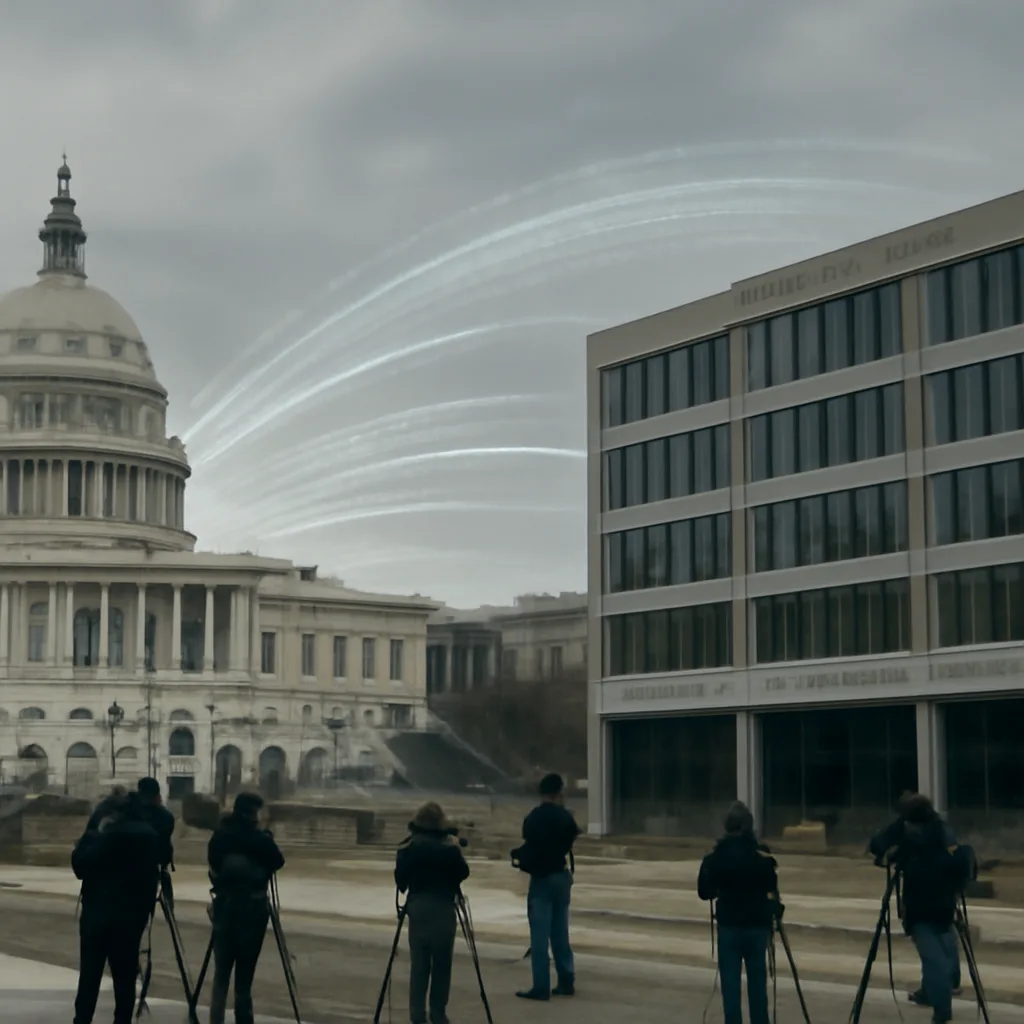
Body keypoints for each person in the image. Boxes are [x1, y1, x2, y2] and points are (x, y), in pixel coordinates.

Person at [869, 793, 974, 1024]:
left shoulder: (909, 834)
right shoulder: (942, 829)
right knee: (945, 943)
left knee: (932, 956)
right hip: (945, 902)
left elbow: (878, 845)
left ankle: (941, 1006)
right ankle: (943, 985)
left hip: (919, 903)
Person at [71, 790, 170, 1024]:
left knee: (89, 977)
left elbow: (80, 867)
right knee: (125, 978)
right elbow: (163, 862)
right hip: (132, 918)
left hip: (97, 915)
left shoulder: (104, 835)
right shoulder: (150, 836)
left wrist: (91, 836)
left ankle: (82, 1020)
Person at [207, 791, 285, 1024]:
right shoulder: (260, 840)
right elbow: (278, 861)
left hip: (224, 907)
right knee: (244, 977)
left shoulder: (220, 836)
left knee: (221, 974)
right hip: (252, 911)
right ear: (252, 813)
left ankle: (216, 1020)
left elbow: (213, 866)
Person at [697, 802, 778, 1024]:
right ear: (750, 826)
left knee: (731, 988)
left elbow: (704, 892)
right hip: (756, 927)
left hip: (730, 928)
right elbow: (772, 888)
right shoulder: (761, 855)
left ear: (727, 826)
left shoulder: (716, 856)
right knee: (758, 987)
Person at [394, 801, 471, 1024]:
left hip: (418, 908)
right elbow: (463, 873)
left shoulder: (408, 847)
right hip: (444, 909)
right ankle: (438, 1014)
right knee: (442, 965)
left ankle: (417, 1016)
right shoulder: (449, 848)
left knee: (419, 966)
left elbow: (401, 882)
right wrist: (455, 847)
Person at [512, 772, 581, 1001]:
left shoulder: (533, 817)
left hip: (541, 879)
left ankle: (541, 986)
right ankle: (566, 979)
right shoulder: (565, 817)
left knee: (539, 937)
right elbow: (571, 838)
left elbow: (529, 842)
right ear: (559, 791)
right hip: (561, 877)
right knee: (560, 932)